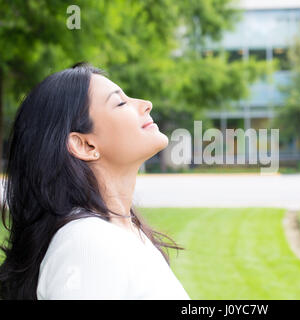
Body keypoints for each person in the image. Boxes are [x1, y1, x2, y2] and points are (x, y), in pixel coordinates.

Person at [0, 62, 190, 300]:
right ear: (85, 145)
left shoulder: (123, 232)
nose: (146, 104)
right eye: (120, 102)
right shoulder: (86, 243)